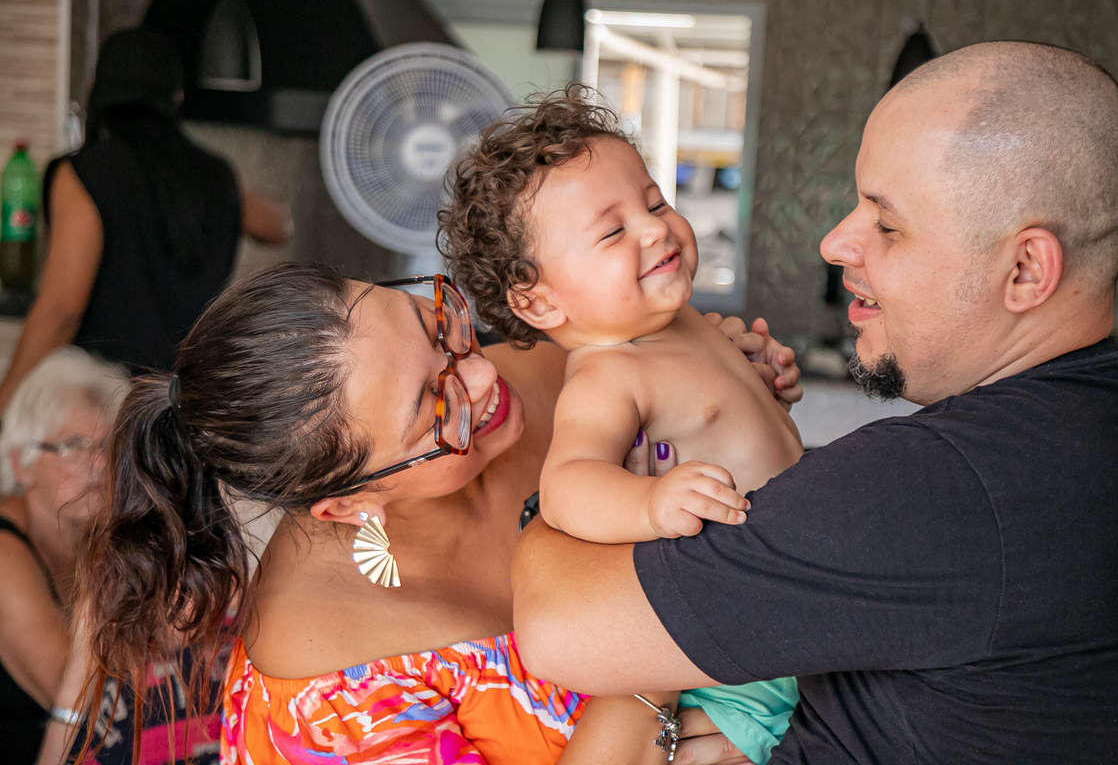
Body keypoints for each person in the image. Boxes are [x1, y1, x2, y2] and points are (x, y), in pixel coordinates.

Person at [510, 41, 1118, 763]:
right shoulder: (1093, 424)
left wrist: (559, 498)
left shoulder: (941, 488)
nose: (834, 243)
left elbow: (558, 630)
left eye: (887, 224)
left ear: (1026, 270)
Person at [76, 261, 802, 764]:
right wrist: (658, 670)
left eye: (439, 326)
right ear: (345, 502)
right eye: (437, 409)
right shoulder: (326, 688)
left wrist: (729, 384)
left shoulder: (563, 371)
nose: (487, 376)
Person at [440, 91, 803, 764]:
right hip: (737, 670)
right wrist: (652, 503)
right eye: (613, 232)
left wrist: (767, 382)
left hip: (789, 600)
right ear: (538, 298)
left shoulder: (684, 321)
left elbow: (732, 420)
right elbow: (570, 484)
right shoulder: (609, 375)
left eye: (656, 203)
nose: (656, 230)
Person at [0, 28, 290, 412]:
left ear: (96, 88)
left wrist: (7, 403)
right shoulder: (216, 175)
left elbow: (61, 310)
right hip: (186, 406)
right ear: (175, 96)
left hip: (105, 410)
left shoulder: (86, 172)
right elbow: (280, 227)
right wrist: (223, 187)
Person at [0, 347, 128, 764]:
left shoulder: (102, 535)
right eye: (74, 446)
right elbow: (71, 693)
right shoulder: (4, 550)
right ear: (22, 464)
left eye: (109, 445)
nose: (98, 465)